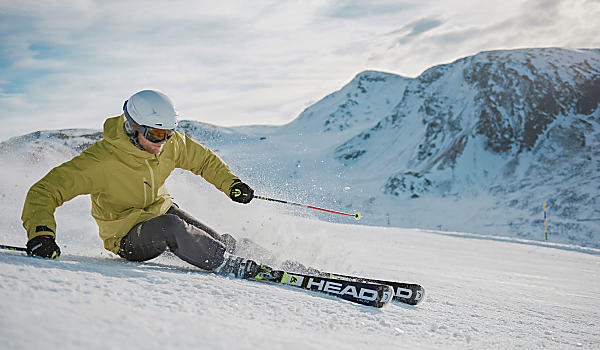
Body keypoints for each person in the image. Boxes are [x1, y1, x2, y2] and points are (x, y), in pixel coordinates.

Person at [21, 90, 259, 278]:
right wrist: (41, 234)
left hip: (162, 211)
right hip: (127, 235)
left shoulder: (170, 143)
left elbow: (204, 161)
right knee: (172, 227)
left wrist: (231, 184)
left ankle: (270, 262)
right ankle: (231, 265)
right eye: (156, 134)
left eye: (168, 134)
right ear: (133, 127)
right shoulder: (101, 161)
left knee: (216, 242)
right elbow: (45, 191)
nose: (163, 142)